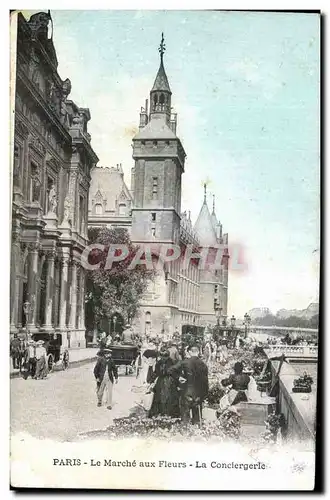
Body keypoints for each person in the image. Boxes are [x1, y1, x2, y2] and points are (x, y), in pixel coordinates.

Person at [168, 345, 209, 425]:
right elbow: (205, 382)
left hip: (187, 391)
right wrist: (204, 395)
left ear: (190, 352)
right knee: (197, 418)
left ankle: (185, 430)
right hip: (198, 393)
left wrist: (178, 377)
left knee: (185, 416)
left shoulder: (185, 362)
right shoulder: (203, 365)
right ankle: (196, 432)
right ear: (198, 352)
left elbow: (170, 370)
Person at [148, 348, 180, 418]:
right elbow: (156, 373)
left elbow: (175, 373)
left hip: (168, 381)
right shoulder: (160, 362)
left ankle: (167, 413)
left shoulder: (171, 362)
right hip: (163, 381)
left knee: (167, 396)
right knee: (162, 396)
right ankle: (164, 413)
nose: (163, 358)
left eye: (165, 356)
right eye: (162, 357)